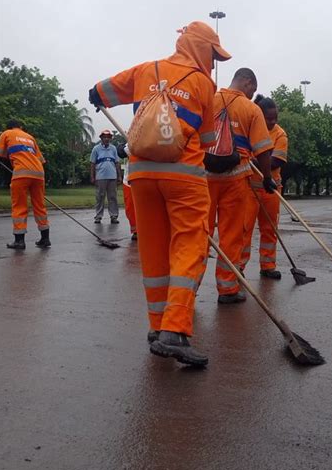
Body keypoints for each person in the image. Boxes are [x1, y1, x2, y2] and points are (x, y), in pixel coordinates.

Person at [89, 20, 231, 367]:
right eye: (212, 55)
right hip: (183, 177)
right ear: (199, 48)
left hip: (141, 174)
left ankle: (157, 328)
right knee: (189, 245)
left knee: (153, 251)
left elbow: (99, 92)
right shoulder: (203, 83)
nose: (212, 63)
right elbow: (211, 143)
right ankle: (176, 331)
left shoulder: (145, 69)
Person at [206, 69, 274, 303]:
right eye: (252, 88)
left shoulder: (209, 99)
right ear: (247, 82)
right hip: (235, 179)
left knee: (198, 234)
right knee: (231, 235)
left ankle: (187, 291)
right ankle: (227, 289)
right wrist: (267, 177)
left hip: (203, 177)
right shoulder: (251, 108)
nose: (252, 93)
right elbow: (264, 148)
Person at [241, 95, 288, 279]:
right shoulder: (248, 129)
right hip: (248, 190)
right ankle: (238, 267)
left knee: (270, 229)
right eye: (269, 118)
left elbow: (276, 161)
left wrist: (254, 160)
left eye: (275, 117)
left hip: (271, 189)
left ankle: (268, 265)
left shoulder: (280, 134)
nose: (273, 121)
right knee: (244, 230)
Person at [0, 119, 50, 250]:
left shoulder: (6, 134)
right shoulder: (30, 137)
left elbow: (0, 155)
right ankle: (45, 238)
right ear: (20, 127)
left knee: (19, 205)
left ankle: (19, 241)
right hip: (38, 173)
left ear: (8, 127)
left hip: (21, 173)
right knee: (40, 206)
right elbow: (41, 160)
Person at [90, 130, 122, 223]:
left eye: (108, 137)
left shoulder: (113, 148)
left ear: (111, 138)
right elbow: (92, 163)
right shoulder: (96, 149)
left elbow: (117, 163)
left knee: (112, 197)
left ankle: (114, 216)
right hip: (100, 177)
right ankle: (98, 216)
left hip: (112, 176)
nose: (106, 139)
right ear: (101, 138)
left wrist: (119, 176)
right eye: (104, 137)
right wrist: (92, 176)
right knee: (100, 196)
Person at [117, 142, 137, 240]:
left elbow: (123, 151)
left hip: (143, 180)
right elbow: (121, 152)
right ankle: (135, 230)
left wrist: (122, 147)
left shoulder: (148, 142)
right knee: (130, 207)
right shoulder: (134, 139)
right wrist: (121, 146)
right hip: (129, 180)